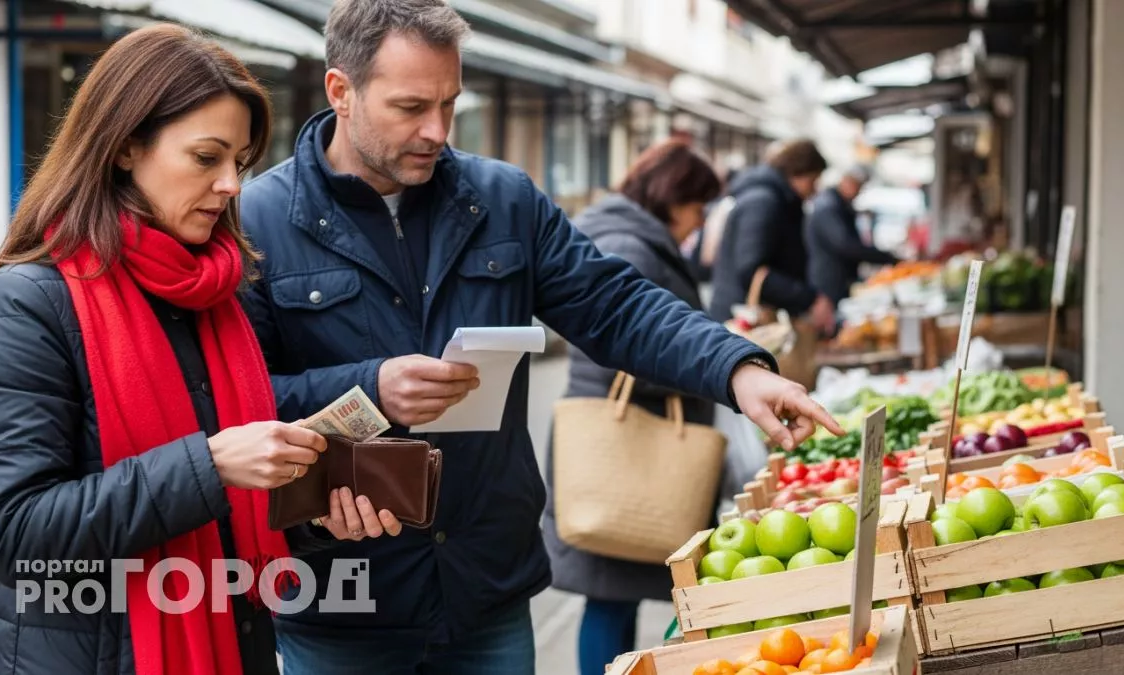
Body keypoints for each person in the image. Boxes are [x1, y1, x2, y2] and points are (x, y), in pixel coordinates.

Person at [237, 2, 844, 673]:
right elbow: (239, 407)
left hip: (485, 589)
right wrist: (370, 389)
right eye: (411, 107)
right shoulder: (258, 222)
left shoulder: (503, 199)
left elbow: (614, 305)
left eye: (450, 103)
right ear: (340, 91)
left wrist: (738, 370)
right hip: (342, 599)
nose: (437, 130)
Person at [0, 24, 392, 675]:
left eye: (240, 162)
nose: (231, 185)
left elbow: (229, 519)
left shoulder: (216, 299)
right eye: (206, 157)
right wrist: (210, 465)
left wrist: (317, 512)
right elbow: (14, 534)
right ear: (126, 146)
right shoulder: (25, 304)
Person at [539, 139, 723, 673]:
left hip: (617, 440)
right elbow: (623, 350)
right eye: (698, 207)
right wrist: (702, 370)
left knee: (610, 595)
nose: (699, 221)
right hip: (622, 446)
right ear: (673, 196)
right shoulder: (632, 244)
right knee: (611, 596)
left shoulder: (628, 232)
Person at [707, 140, 836, 335]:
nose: (814, 189)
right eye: (813, 180)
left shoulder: (777, 200)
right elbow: (751, 271)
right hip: (743, 322)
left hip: (753, 317)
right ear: (798, 172)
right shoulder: (763, 202)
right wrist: (807, 298)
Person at [805, 165, 899, 307]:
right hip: (830, 282)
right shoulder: (828, 206)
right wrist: (886, 258)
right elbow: (846, 244)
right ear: (845, 180)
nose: (858, 192)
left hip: (838, 279)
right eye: (857, 185)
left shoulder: (837, 204)